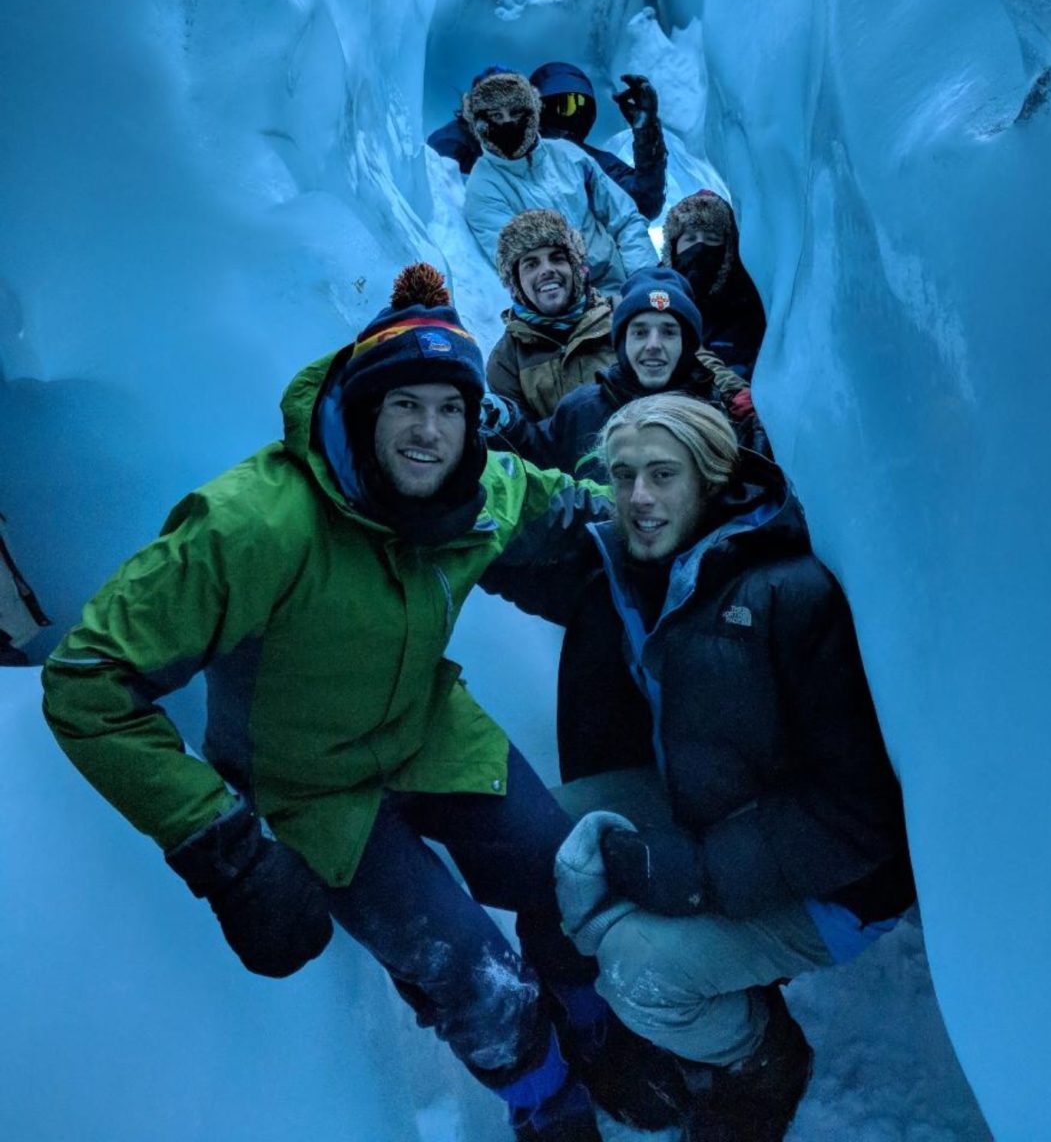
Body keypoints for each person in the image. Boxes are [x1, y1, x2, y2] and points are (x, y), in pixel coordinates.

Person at [40, 264, 669, 1141]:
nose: (429, 431)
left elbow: (569, 507)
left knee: (569, 878)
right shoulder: (256, 524)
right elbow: (86, 681)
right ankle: (547, 1100)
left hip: (426, 732)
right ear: (364, 405)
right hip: (314, 793)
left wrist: (674, 521)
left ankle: (590, 1029)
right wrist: (223, 850)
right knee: (475, 975)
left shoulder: (477, 491)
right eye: (404, 404)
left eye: (450, 407)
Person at [536, 395, 914, 1142]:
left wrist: (700, 873)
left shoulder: (791, 594)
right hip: (711, 811)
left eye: (662, 474)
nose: (638, 497)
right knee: (542, 827)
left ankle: (759, 1059)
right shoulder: (650, 564)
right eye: (623, 475)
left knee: (637, 971)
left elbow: (860, 809)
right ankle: (673, 998)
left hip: (840, 884)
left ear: (710, 479)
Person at [484, 266, 756, 482]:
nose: (653, 344)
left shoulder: (717, 415)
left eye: (669, 332)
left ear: (687, 344)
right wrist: (505, 425)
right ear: (622, 342)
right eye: (639, 332)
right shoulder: (582, 410)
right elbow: (534, 455)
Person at [462, 69, 656, 295]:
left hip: (619, 283)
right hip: (560, 306)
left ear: (533, 113)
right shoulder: (483, 186)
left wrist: (645, 281)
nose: (507, 123)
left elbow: (625, 218)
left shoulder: (568, 155)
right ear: (480, 124)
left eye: (516, 112)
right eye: (496, 115)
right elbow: (519, 263)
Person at [486, 210, 615, 421]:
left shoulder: (619, 322)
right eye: (531, 264)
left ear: (575, 269)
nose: (547, 270)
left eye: (557, 259)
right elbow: (523, 442)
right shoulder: (506, 361)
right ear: (516, 283)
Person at [530, 62, 667, 221]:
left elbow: (643, 204)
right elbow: (645, 203)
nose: (573, 114)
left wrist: (647, 132)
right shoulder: (514, 160)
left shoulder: (597, 162)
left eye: (580, 105)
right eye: (564, 106)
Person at [661, 190, 767, 381]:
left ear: (728, 249)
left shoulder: (748, 302)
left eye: (712, 238)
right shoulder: (655, 294)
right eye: (690, 239)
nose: (700, 248)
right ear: (673, 247)